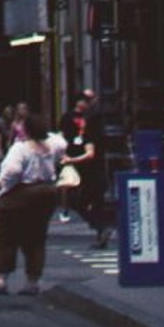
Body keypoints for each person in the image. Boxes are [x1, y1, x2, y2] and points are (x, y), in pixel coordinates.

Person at [0, 105, 65, 295]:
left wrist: (3, 185)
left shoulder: (21, 148)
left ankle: (1, 280)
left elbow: (12, 171)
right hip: (46, 193)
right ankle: (32, 282)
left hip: (20, 193)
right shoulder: (53, 146)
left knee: (6, 237)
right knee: (36, 238)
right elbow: (62, 142)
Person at [63, 89, 109, 246]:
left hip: (90, 168)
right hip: (88, 167)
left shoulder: (91, 127)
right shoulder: (76, 120)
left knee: (84, 200)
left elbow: (91, 153)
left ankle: (100, 229)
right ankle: (100, 230)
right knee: (90, 201)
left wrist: (72, 159)